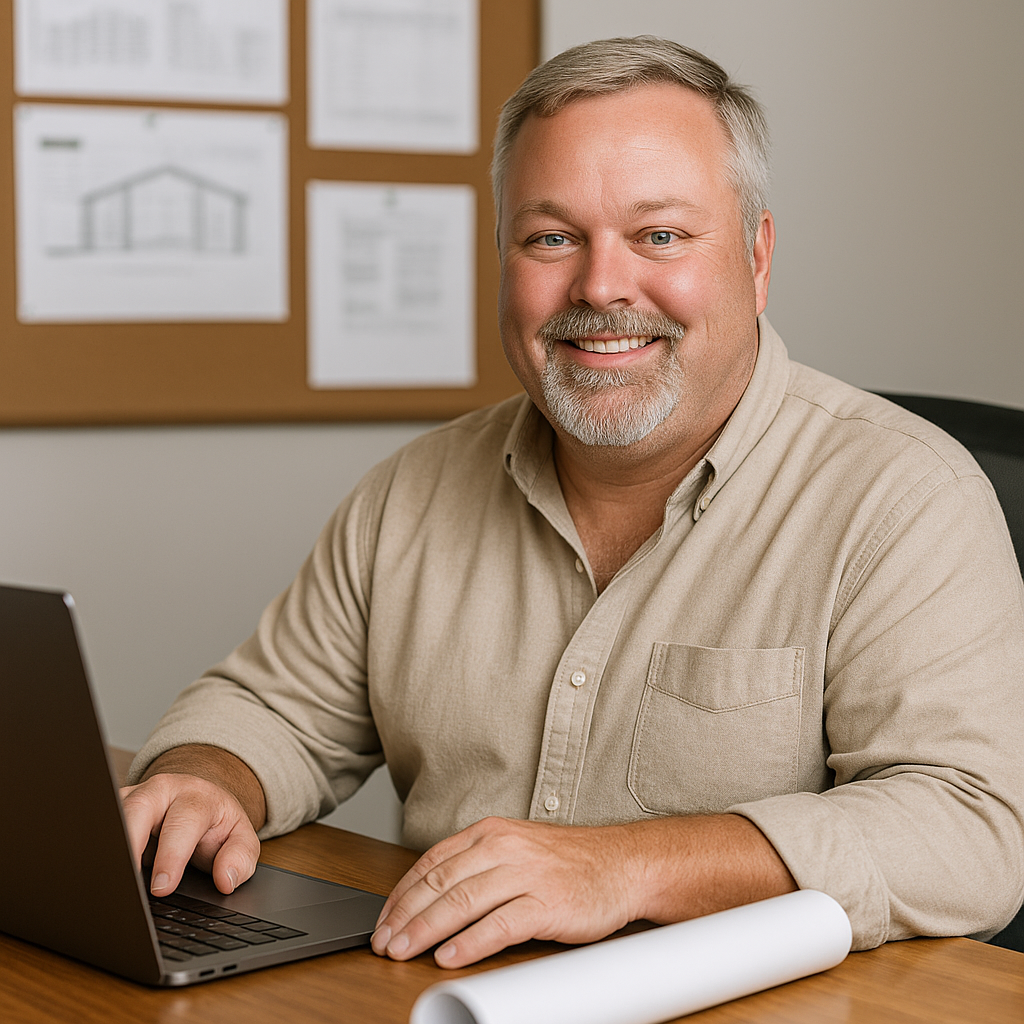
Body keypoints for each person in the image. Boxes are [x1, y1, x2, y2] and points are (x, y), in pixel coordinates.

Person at [122, 37, 1024, 969]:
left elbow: (966, 828)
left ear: (756, 258)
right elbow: (274, 708)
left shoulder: (904, 496)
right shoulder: (412, 493)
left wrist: (626, 868)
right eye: (551, 238)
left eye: (660, 236)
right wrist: (204, 778)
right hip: (450, 992)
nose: (599, 286)